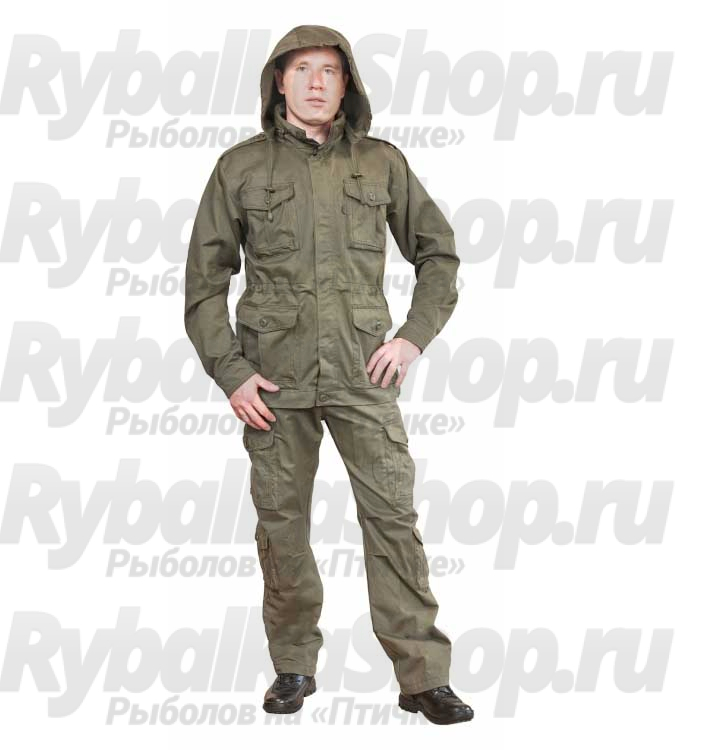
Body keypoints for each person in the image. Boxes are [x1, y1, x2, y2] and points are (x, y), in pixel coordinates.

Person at [184, 24, 473, 725]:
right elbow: (203, 284)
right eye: (302, 69)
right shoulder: (240, 168)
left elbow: (438, 255)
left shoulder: (380, 164)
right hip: (273, 381)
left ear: (348, 84)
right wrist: (232, 373)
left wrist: (411, 339)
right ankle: (292, 664)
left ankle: (422, 676)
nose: (316, 82)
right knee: (281, 523)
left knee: (392, 519)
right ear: (278, 81)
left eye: (331, 70)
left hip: (362, 372)